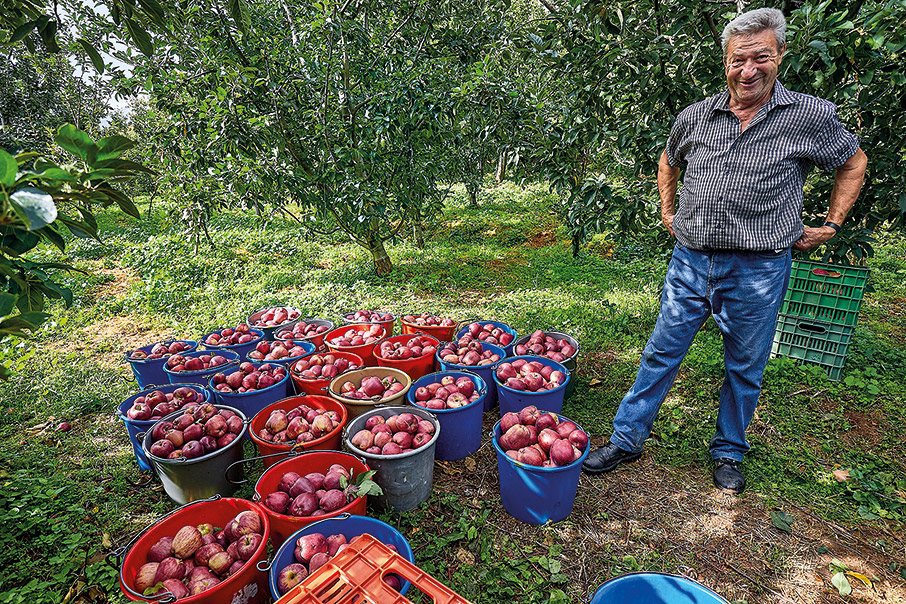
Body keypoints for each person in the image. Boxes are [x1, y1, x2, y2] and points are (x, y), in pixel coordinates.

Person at [581, 7, 867, 494]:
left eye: (762, 57)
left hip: (758, 266)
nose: (749, 69)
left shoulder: (809, 115)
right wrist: (669, 213)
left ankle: (729, 451)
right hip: (691, 261)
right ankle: (627, 439)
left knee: (745, 364)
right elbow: (669, 161)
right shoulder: (696, 115)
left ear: (780, 57)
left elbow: (853, 161)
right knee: (660, 353)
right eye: (739, 59)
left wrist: (832, 224)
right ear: (725, 62)